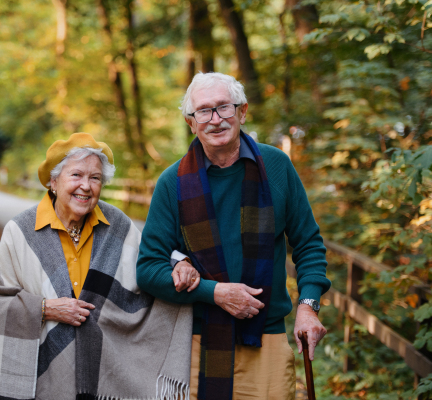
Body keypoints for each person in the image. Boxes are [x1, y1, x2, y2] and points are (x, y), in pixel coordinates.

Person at [136, 72, 331, 400]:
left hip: (266, 336)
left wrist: (308, 305)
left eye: (224, 107)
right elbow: (148, 269)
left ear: (242, 112)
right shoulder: (173, 183)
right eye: (204, 111)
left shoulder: (277, 166)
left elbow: (309, 244)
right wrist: (214, 292)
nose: (215, 119)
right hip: (197, 342)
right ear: (191, 123)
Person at [0, 132, 195, 400]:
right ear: (54, 182)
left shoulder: (118, 225)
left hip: (105, 373)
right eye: (76, 175)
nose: (86, 186)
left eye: (95, 178)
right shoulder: (20, 231)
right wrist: (44, 309)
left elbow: (151, 255)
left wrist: (180, 262)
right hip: (43, 374)